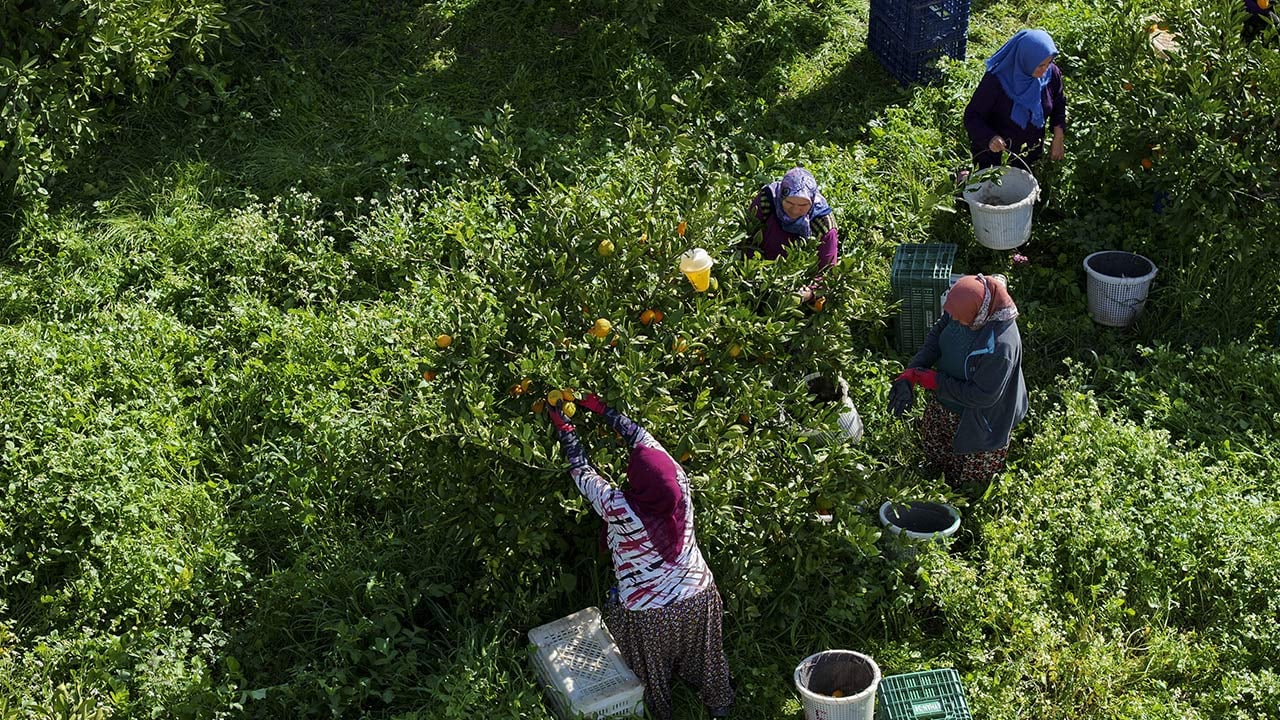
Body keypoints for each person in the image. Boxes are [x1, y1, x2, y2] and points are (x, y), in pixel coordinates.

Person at [547, 394, 733, 720]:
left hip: (651, 614)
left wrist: (565, 427)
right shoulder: (678, 481)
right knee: (707, 653)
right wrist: (604, 409)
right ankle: (719, 703)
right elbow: (643, 439)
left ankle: (660, 712)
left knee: (649, 665)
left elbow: (581, 470)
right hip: (701, 597)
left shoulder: (621, 509)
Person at [888, 275, 1028, 487]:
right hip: (947, 402)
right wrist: (911, 373)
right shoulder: (963, 308)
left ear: (978, 314)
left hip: (979, 420)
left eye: (958, 318)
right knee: (936, 456)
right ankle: (936, 476)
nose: (952, 320)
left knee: (966, 481)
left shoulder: (1001, 347)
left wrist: (935, 381)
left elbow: (982, 396)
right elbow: (936, 335)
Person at [964, 29, 1066, 171]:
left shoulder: (1050, 75)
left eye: (1049, 63)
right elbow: (972, 116)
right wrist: (990, 138)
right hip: (995, 156)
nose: (1045, 70)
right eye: (1041, 65)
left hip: (1030, 154)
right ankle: (963, 177)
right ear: (1026, 60)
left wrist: (1058, 138)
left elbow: (1059, 104)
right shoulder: (997, 81)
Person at [741, 166, 837, 301]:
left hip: (794, 283)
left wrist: (809, 293)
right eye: (790, 203)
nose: (795, 210)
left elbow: (828, 271)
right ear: (781, 197)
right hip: (756, 270)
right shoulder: (767, 199)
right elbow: (746, 234)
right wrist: (753, 269)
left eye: (803, 205)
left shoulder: (823, 223)